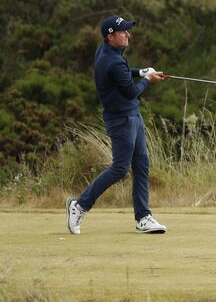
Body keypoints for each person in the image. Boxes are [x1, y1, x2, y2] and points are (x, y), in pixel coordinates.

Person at [66, 15, 169, 234]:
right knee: (120, 168)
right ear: (111, 36)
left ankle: (143, 218)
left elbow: (122, 74)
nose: (128, 34)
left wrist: (141, 72)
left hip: (132, 116)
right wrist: (147, 80)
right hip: (121, 120)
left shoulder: (107, 52)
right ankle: (80, 205)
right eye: (123, 32)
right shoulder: (111, 60)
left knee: (141, 165)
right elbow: (131, 91)